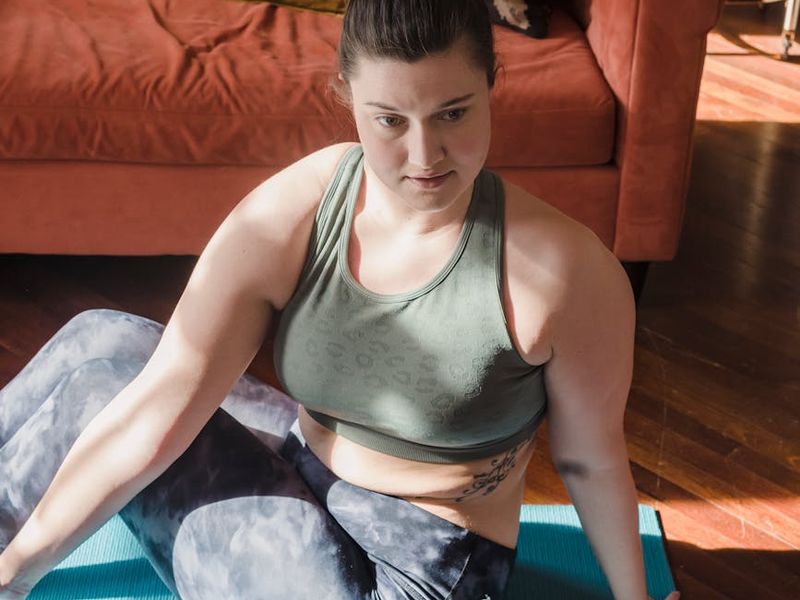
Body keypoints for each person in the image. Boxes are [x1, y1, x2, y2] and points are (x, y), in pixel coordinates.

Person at [0, 1, 679, 598]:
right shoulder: (307, 202)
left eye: (453, 113)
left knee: (103, 393)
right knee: (105, 341)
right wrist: (20, 567)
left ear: (492, 86)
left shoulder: (566, 272)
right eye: (389, 120)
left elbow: (588, 459)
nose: (424, 155)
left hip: (409, 572)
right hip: (305, 471)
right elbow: (169, 392)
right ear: (347, 95)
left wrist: (638, 598)